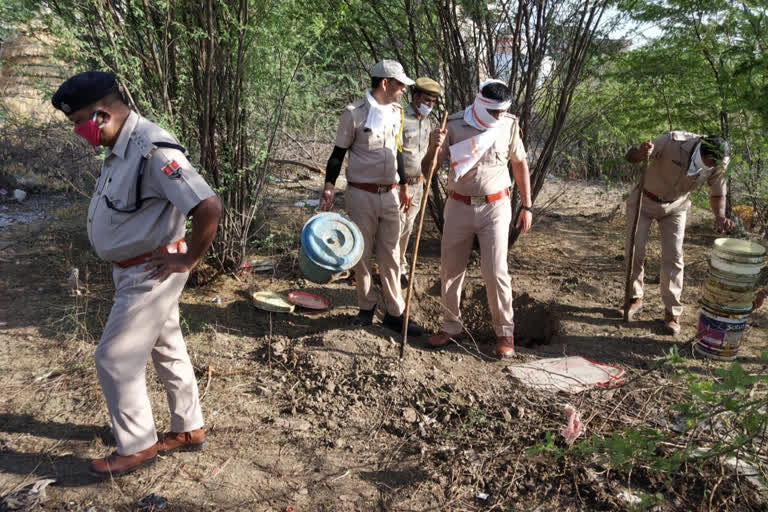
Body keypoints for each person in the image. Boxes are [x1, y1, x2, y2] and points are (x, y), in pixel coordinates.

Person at [52, 71, 222, 477]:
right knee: (167, 346)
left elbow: (209, 208)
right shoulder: (121, 147)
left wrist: (189, 260)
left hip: (151, 270)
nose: (78, 132)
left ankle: (138, 445)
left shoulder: (153, 151)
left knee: (114, 358)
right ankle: (188, 427)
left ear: (100, 114)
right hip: (135, 269)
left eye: (78, 122)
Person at [421, 80, 532, 358]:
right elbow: (428, 172)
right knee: (450, 269)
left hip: (496, 207)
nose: (498, 117)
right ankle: (451, 325)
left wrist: (527, 206)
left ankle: (504, 333)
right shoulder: (454, 124)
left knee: (495, 271)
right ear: (480, 102)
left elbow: (519, 163)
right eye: (494, 111)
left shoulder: (508, 125)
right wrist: (432, 149)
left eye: (502, 111)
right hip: (458, 206)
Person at [318, 60, 425, 337]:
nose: (403, 89)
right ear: (385, 83)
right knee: (362, 254)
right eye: (400, 84)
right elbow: (337, 154)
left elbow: (398, 150)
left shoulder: (397, 113)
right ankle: (365, 308)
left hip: (389, 194)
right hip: (360, 194)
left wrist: (402, 185)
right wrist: (329, 186)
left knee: (390, 254)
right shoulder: (354, 113)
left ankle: (395, 313)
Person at [620, 132, 732, 335]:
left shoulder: (719, 163)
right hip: (644, 201)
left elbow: (717, 193)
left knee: (674, 256)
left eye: (718, 163)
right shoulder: (672, 142)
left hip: (676, 207)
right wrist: (642, 152)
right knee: (635, 248)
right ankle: (634, 298)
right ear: (703, 152)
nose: (714, 166)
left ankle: (672, 313)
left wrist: (720, 216)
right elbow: (631, 157)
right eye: (711, 161)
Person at [398, 77, 441, 287]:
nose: (429, 105)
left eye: (433, 102)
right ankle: (392, 269)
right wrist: (401, 185)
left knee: (408, 228)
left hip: (418, 183)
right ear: (416, 97)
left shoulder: (429, 123)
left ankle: (400, 266)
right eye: (426, 100)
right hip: (400, 185)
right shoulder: (400, 117)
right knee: (395, 228)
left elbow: (427, 154)